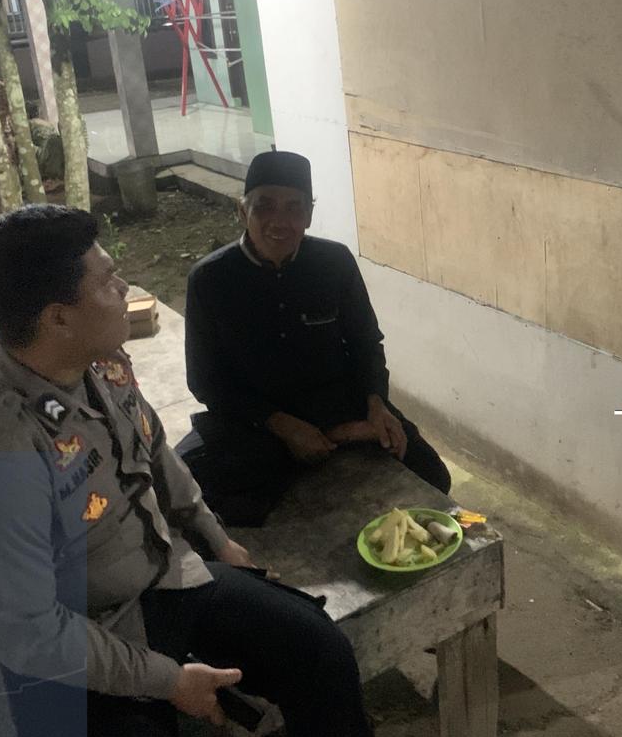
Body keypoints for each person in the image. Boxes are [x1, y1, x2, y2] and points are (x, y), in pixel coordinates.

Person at [0, 205, 373, 737]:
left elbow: (153, 446)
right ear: (58, 318)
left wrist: (216, 538)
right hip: (84, 638)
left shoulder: (99, 357)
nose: (125, 288)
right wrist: (170, 681)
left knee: (318, 648)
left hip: (166, 577)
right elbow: (30, 632)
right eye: (106, 281)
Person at [176, 150, 452, 525]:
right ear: (242, 212)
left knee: (432, 475)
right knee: (185, 490)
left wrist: (376, 403)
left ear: (309, 215)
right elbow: (205, 382)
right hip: (257, 419)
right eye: (264, 206)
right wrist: (282, 425)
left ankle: (345, 433)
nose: (280, 221)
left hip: (336, 402)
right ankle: (342, 439)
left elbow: (366, 343)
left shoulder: (334, 262)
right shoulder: (209, 280)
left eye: (294, 208)